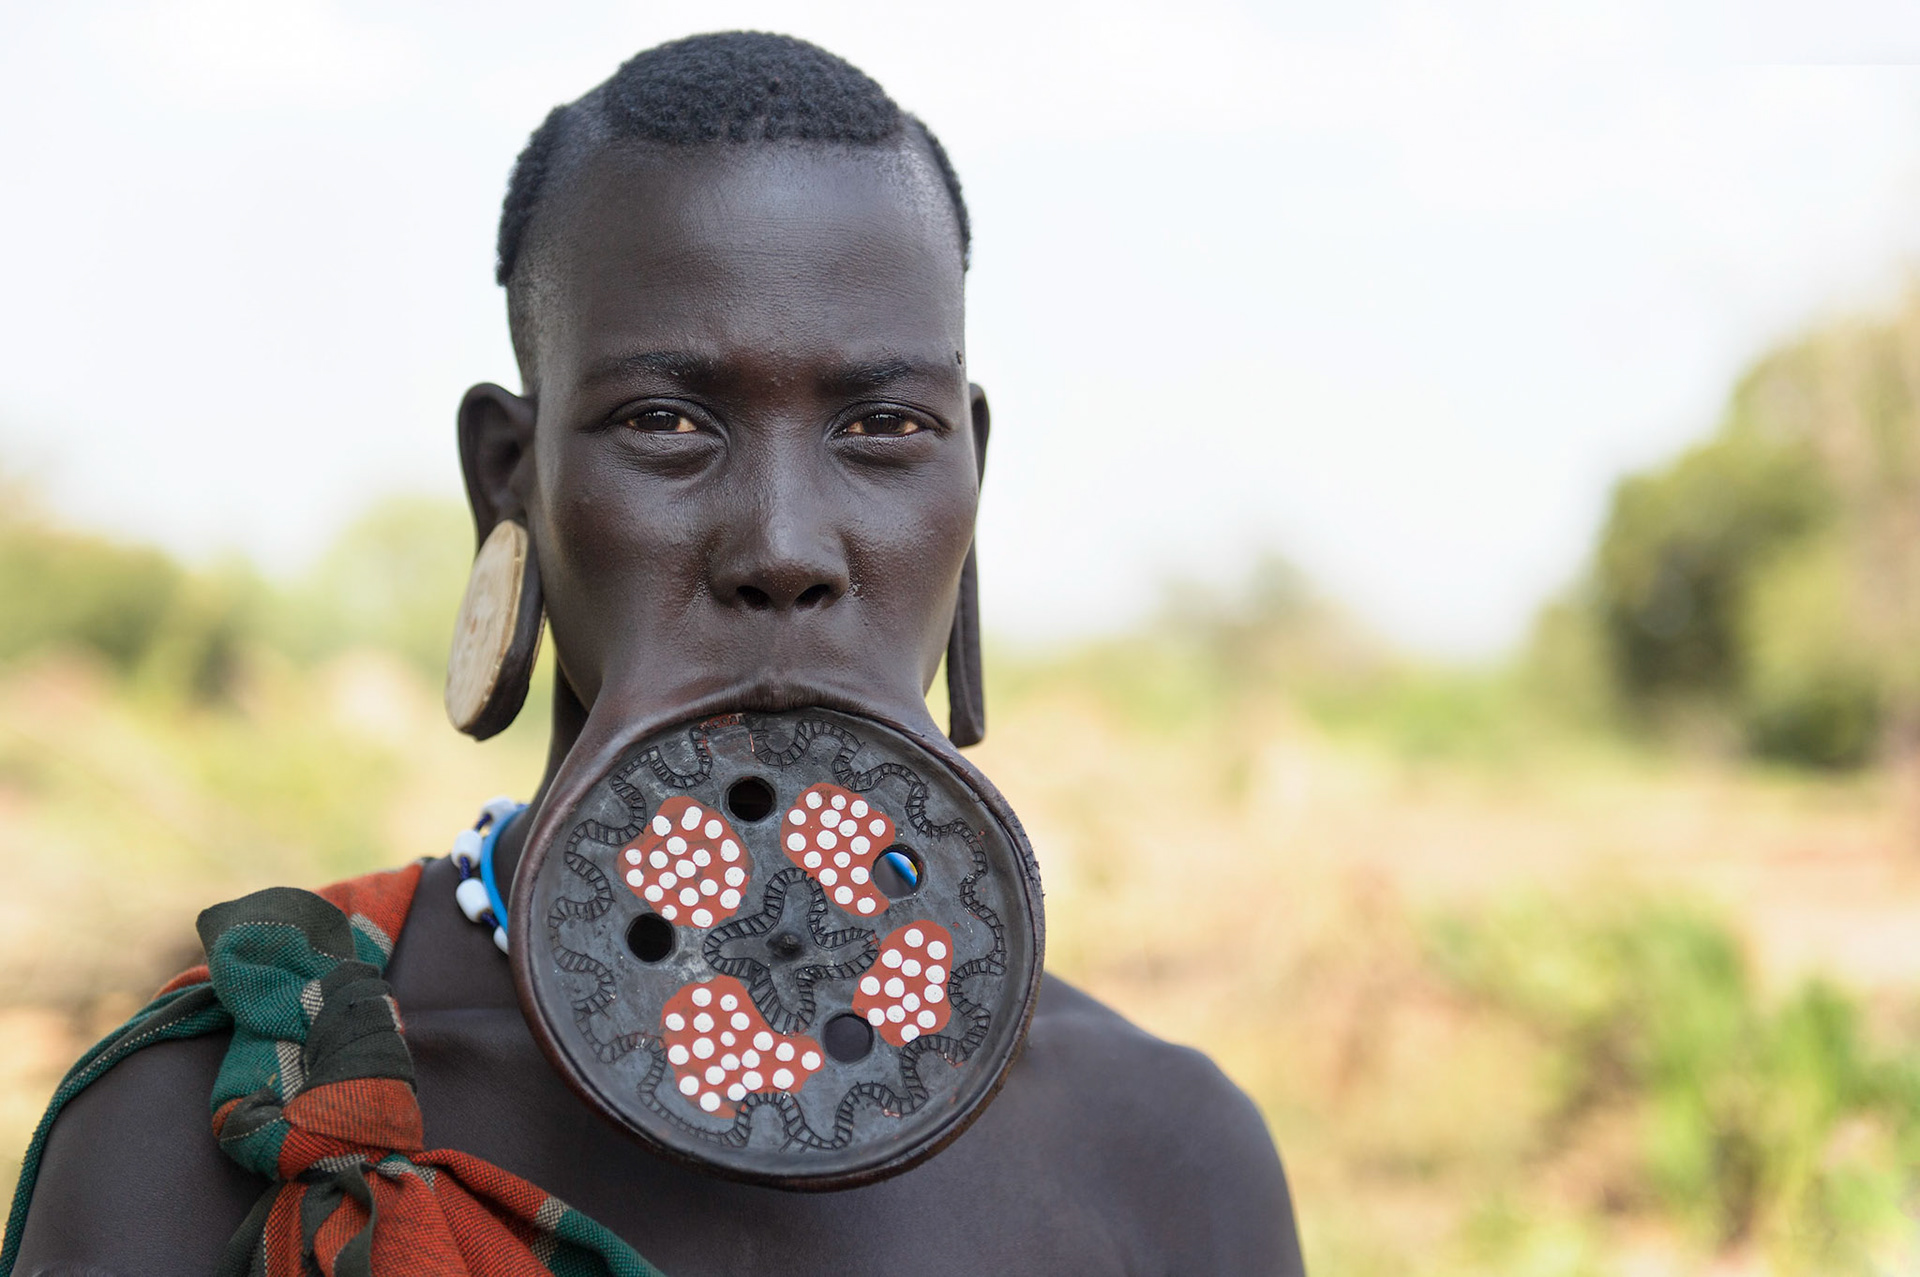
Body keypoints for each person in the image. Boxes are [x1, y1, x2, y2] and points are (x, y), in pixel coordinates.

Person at [7, 32, 1306, 1275]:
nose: (786, 545)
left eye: (885, 426)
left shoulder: (1159, 1157)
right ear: (510, 482)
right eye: (667, 421)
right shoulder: (231, 1123)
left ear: (973, 473)